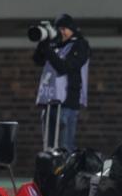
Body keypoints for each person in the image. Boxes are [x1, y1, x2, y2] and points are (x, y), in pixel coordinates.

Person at [33, 14, 90, 153]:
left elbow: (64, 67)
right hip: (49, 101)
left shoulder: (80, 45)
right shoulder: (55, 44)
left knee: (65, 148)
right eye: (59, 29)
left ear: (72, 29)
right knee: (49, 147)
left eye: (65, 29)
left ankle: (66, 173)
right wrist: (43, 42)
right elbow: (37, 60)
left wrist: (48, 49)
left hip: (67, 101)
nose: (62, 32)